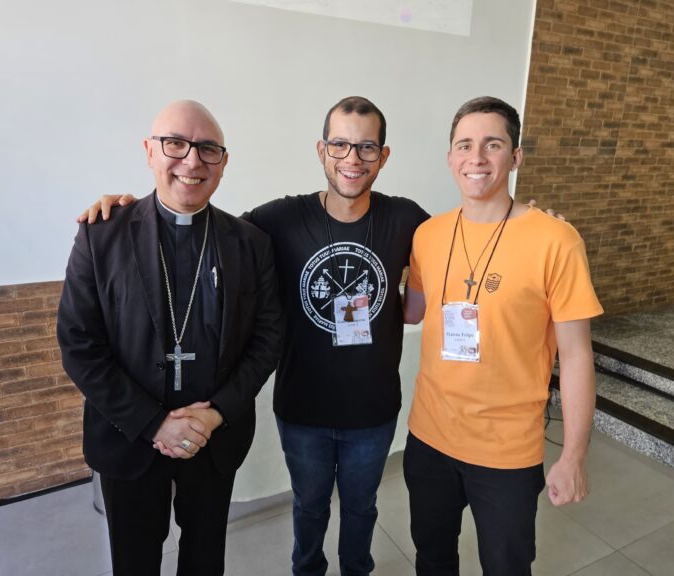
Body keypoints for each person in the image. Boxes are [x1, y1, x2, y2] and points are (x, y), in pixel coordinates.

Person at [78, 96, 431, 576]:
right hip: (299, 410)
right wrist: (122, 206)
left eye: (366, 148)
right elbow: (83, 341)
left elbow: (468, 239)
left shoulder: (406, 218)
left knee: (358, 508)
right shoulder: (273, 221)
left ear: (383, 156)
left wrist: (524, 220)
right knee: (306, 508)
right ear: (321, 149)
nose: (352, 158)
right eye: (341, 144)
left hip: (367, 409)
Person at [57, 100, 282, 576]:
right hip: (129, 437)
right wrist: (154, 423)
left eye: (208, 149)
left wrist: (216, 413)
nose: (192, 161)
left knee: (205, 560)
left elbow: (267, 338)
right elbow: (79, 344)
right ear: (149, 151)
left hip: (212, 438)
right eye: (175, 144)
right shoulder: (102, 234)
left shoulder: (250, 242)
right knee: (134, 562)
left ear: (223, 162)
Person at [402, 96, 603, 576]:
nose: (476, 158)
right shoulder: (427, 234)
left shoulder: (556, 240)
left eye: (492, 145)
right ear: (450, 157)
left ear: (515, 158)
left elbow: (576, 357)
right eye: (464, 145)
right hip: (429, 438)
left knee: (506, 566)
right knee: (432, 558)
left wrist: (573, 456)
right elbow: (412, 312)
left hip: (507, 451)